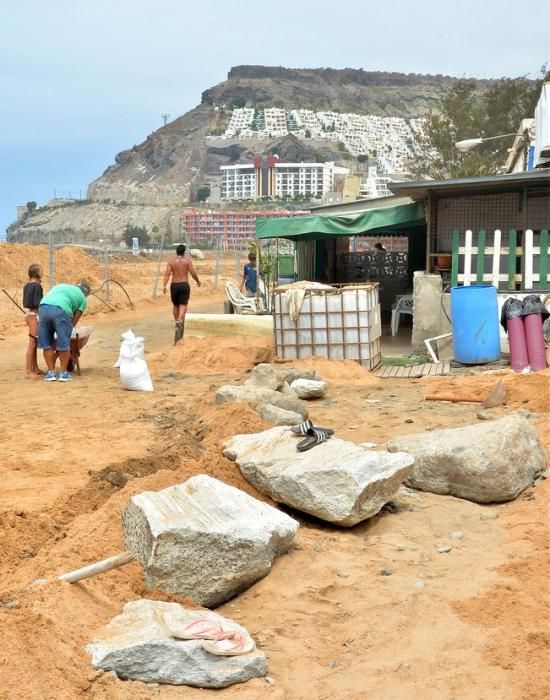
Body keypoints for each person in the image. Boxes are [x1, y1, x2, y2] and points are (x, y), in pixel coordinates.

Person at [38, 282, 90, 382]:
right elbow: (74, 321)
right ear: (86, 294)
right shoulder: (83, 299)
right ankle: (63, 373)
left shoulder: (60, 286)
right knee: (64, 344)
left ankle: (51, 373)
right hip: (61, 310)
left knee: (47, 344)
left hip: (43, 307)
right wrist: (66, 333)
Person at [162, 244, 201, 343]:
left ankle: (177, 322)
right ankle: (180, 320)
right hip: (184, 284)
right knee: (183, 304)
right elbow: (193, 273)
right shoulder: (187, 261)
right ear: (184, 252)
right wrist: (198, 281)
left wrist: (164, 285)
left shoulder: (171, 262)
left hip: (174, 285)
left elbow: (167, 274)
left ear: (176, 251)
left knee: (175, 305)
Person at [23, 263, 44, 378]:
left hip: (29, 314)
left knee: (34, 343)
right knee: (32, 344)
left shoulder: (27, 285)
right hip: (34, 316)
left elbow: (25, 302)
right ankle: (28, 371)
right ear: (38, 273)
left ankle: (35, 368)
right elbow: (38, 303)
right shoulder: (37, 286)